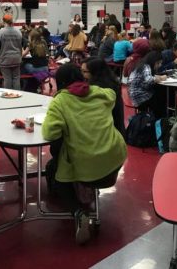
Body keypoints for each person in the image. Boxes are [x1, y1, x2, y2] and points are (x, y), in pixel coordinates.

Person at [42, 63, 126, 244]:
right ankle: (85, 193)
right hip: (115, 158)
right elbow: (112, 96)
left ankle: (78, 212)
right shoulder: (100, 92)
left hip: (88, 166)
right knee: (82, 150)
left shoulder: (60, 101)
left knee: (59, 171)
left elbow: (50, 134)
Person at [82, 58, 124, 133]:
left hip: (108, 132)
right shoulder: (112, 83)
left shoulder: (98, 90)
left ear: (95, 72)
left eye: (84, 72)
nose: (81, 74)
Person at [127, 51, 168, 119]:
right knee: (162, 95)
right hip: (140, 96)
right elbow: (149, 80)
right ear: (153, 61)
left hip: (134, 94)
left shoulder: (141, 65)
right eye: (158, 63)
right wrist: (161, 78)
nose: (160, 65)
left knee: (160, 93)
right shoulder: (146, 66)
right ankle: (160, 119)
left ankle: (158, 118)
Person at [0, 14, 23, 90]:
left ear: (3, 21)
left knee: (7, 79)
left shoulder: (0, 32)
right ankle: (17, 96)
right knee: (16, 78)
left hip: (5, 58)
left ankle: (8, 96)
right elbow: (20, 46)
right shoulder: (18, 32)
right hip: (16, 58)